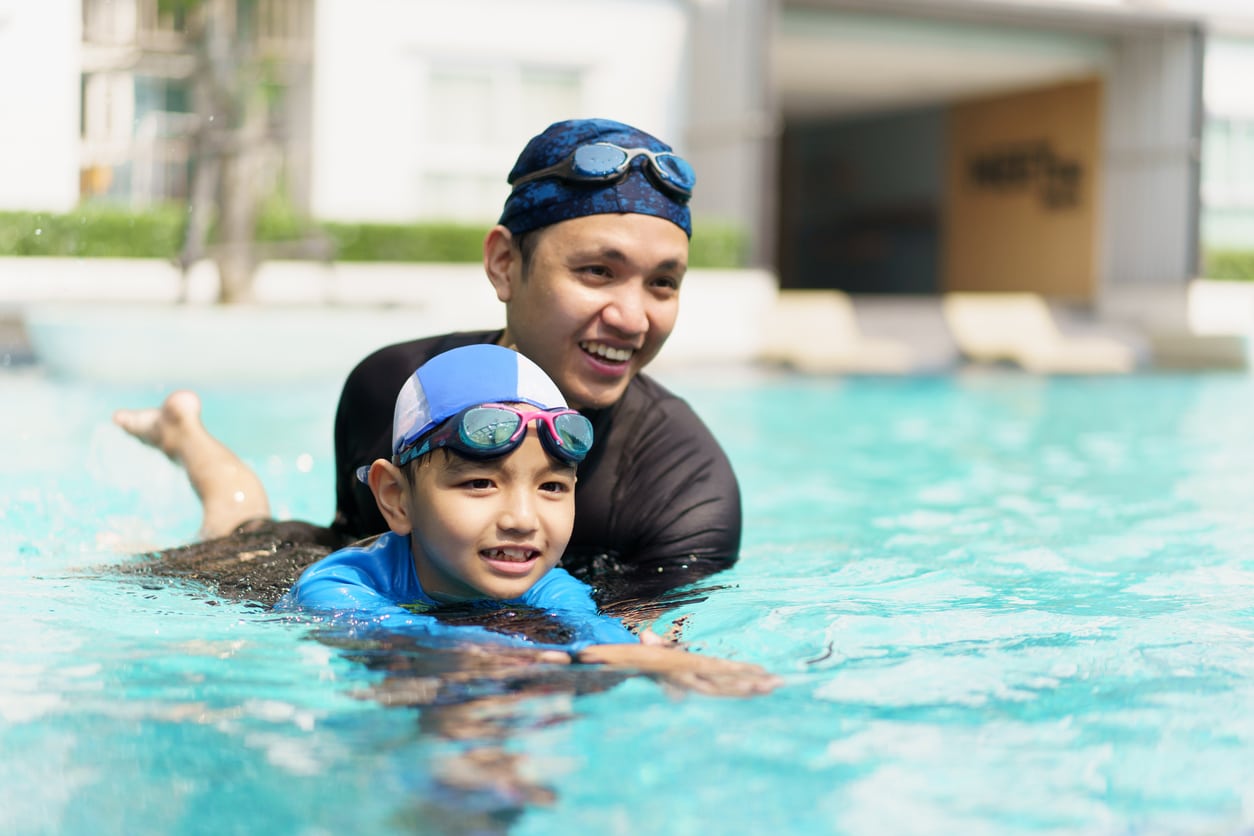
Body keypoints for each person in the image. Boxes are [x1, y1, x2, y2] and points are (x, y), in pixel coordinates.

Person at [115, 116, 740, 605]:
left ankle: (183, 430)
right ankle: (188, 436)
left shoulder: (684, 492)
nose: (633, 318)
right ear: (503, 265)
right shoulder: (391, 387)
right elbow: (350, 552)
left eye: (662, 283)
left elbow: (627, 657)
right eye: (597, 271)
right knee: (240, 538)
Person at [275, 342, 778, 697]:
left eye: (552, 487)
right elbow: (396, 638)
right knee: (241, 520)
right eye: (479, 483)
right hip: (259, 564)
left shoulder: (550, 588)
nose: (522, 518)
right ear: (397, 499)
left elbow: (590, 631)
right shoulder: (337, 583)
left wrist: (653, 658)